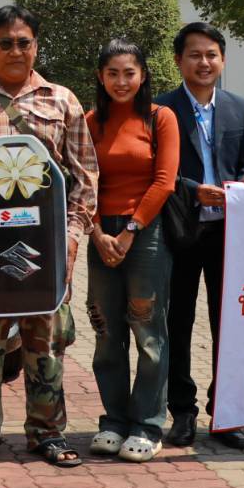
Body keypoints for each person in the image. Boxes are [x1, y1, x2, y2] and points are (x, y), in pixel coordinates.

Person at [0, 5, 98, 470]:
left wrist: (71, 235)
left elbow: (85, 176)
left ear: (36, 45)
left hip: (45, 250)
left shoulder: (62, 101)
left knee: (45, 341)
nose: (15, 50)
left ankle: (47, 432)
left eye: (23, 42)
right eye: (4, 42)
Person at [154, 22, 244, 451]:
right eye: (195, 55)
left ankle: (227, 412)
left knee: (229, 324)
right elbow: (155, 170)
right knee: (177, 323)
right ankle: (182, 411)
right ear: (179, 60)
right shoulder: (162, 110)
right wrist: (191, 189)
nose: (204, 62)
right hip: (181, 228)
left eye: (212, 54)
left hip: (230, 233)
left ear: (223, 60)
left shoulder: (240, 107)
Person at [83, 39, 178, 462]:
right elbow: (83, 180)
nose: (122, 81)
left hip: (146, 234)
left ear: (143, 75)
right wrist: (99, 231)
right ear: (101, 78)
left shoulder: (161, 118)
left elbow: (164, 181)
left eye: (129, 73)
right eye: (113, 73)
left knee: (148, 332)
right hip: (100, 232)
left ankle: (148, 424)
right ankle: (115, 421)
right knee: (106, 332)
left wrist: (130, 231)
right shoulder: (90, 121)